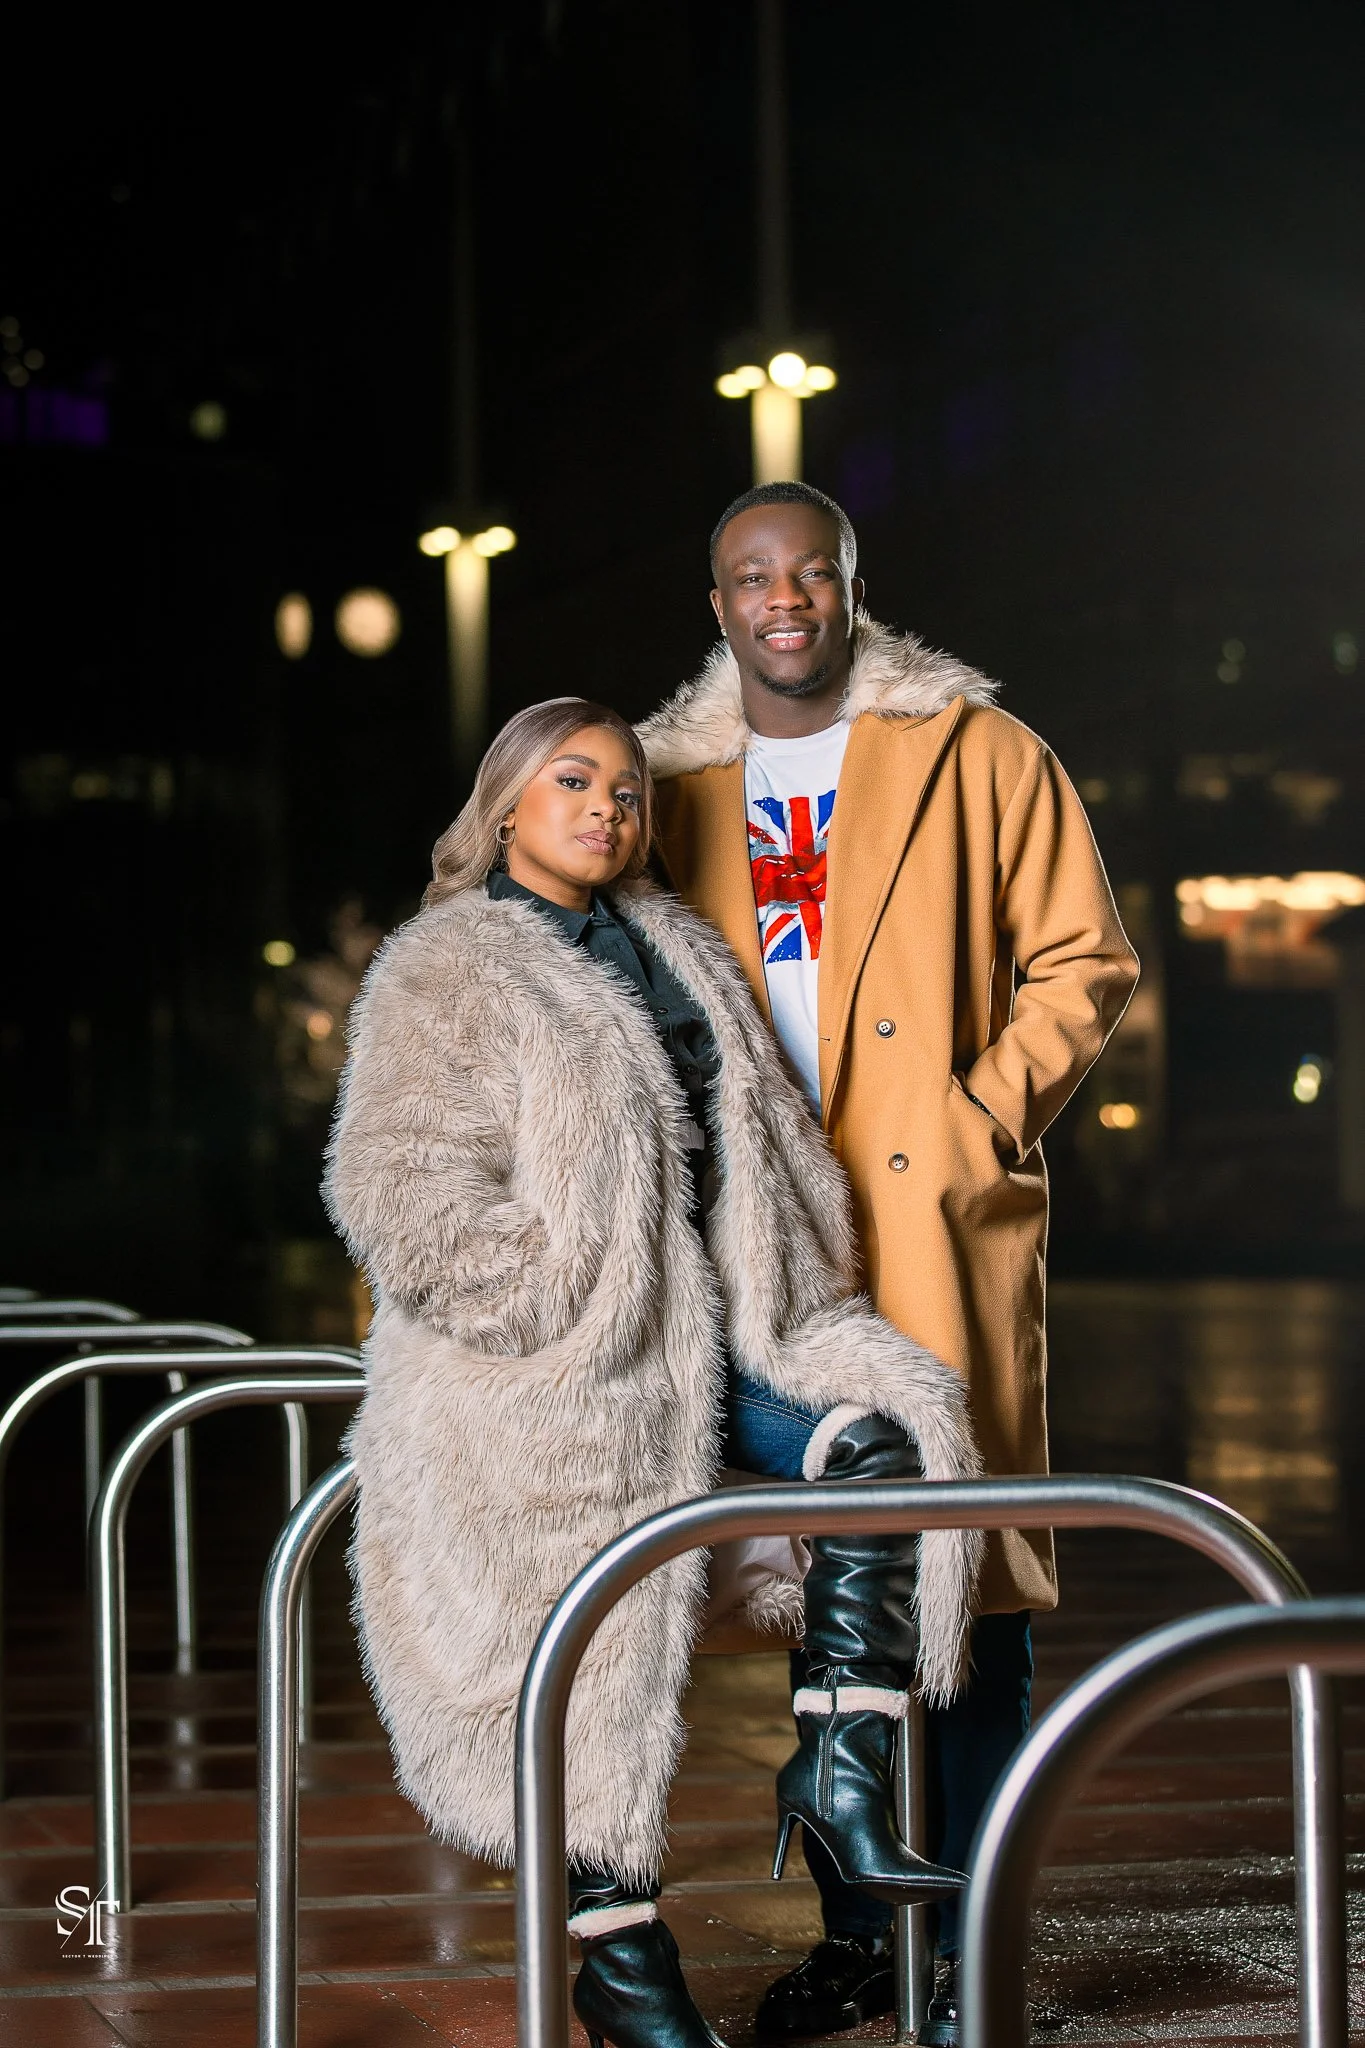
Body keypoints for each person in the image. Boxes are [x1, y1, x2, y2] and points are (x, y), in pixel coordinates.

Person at [324, 698, 985, 2048]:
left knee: (876, 1441)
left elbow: (772, 1136)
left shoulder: (679, 946)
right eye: (576, 781)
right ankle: (621, 1962)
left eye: (628, 789)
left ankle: (841, 1763)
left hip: (723, 1334)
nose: (610, 807)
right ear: (507, 803)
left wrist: (797, 1274)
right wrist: (554, 1312)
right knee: (576, 1651)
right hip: (547, 1375)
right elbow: (396, 1189)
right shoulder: (447, 967)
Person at [639, 485, 1140, 2044]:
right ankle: (864, 1938)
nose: (783, 597)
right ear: (717, 605)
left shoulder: (981, 753)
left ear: (854, 586)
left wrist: (985, 1113)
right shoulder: (669, 781)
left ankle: (966, 1949)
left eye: (811, 571)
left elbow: (1087, 958)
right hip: (762, 1231)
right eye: (751, 576)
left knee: (966, 1586)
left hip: (925, 1210)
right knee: (825, 1590)